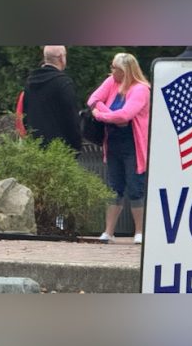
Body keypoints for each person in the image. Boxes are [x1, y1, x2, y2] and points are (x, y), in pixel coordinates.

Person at [87, 53, 150, 244]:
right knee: (114, 187)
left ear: (125, 71)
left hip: (133, 143)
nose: (111, 71)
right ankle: (108, 231)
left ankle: (139, 231)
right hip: (113, 142)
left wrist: (102, 114)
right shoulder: (111, 82)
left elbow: (125, 115)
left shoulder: (141, 90)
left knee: (135, 187)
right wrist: (109, 114)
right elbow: (93, 100)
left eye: (115, 68)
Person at [23, 45, 82, 154]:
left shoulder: (30, 83)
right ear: (61, 58)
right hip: (61, 149)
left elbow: (25, 114)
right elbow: (71, 117)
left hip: (36, 147)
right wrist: (76, 145)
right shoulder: (63, 83)